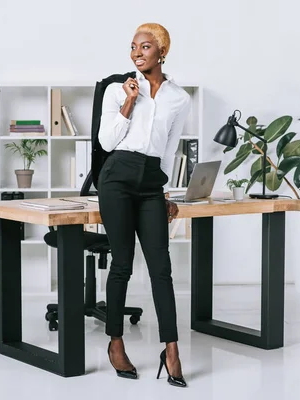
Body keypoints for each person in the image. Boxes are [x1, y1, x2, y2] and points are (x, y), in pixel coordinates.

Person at [97, 22, 191, 388]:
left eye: (146, 46)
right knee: (121, 264)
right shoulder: (114, 91)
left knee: (161, 268)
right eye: (133, 47)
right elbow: (106, 142)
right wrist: (129, 101)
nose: (137, 53)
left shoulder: (179, 99)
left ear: (162, 51)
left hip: (151, 181)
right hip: (117, 176)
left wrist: (165, 193)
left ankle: (171, 349)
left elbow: (168, 149)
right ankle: (115, 343)